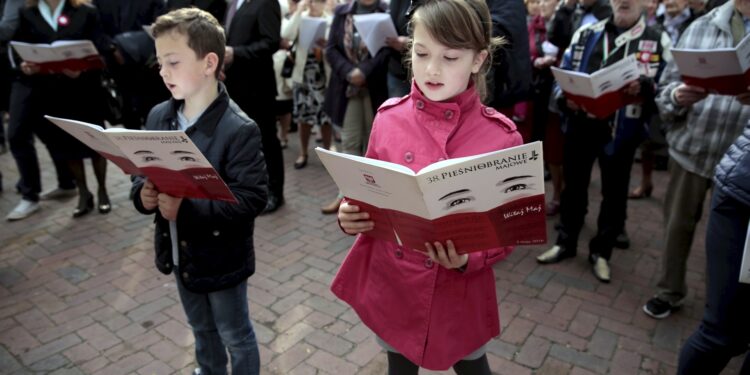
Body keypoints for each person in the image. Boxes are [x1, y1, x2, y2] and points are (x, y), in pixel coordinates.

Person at [332, 0, 522, 372]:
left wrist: (470, 258)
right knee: (398, 365)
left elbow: (510, 230)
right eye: (420, 53)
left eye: (450, 57)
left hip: (459, 290)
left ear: (478, 59)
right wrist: (350, 215)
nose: (432, 70)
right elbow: (366, 195)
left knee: (471, 366)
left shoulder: (502, 139)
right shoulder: (388, 118)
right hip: (395, 282)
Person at [131, 8, 268, 375]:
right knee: (201, 329)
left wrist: (187, 210)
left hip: (222, 257)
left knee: (235, 334)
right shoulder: (160, 116)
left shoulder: (238, 128)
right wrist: (141, 195)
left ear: (209, 63)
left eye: (173, 62)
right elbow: (143, 171)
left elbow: (252, 198)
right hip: (180, 254)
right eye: (159, 62)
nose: (163, 72)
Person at [535, 0, 671, 282]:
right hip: (580, 125)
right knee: (574, 188)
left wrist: (646, 88)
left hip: (622, 131)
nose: (623, 1)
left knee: (614, 194)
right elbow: (565, 71)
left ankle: (602, 254)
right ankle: (565, 242)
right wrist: (564, 97)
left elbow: (669, 86)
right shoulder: (587, 32)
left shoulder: (658, 39)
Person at [643, 0, 750, 319]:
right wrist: (676, 96)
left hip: (742, 163)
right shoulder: (701, 26)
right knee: (677, 226)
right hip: (692, 149)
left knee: (736, 242)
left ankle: (730, 309)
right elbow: (667, 87)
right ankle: (669, 291)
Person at [8, 0, 111, 220]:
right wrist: (25, 65)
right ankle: (83, 193)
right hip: (51, 91)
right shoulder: (28, 12)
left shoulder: (85, 11)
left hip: (85, 90)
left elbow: (102, 47)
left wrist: (82, 69)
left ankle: (102, 190)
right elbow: (19, 48)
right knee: (65, 144)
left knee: (95, 142)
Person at [320, 0, 390, 214]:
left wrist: (364, 71)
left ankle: (376, 199)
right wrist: (351, 72)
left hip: (375, 88)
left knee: (374, 143)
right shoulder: (342, 12)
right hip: (347, 87)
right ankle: (347, 197)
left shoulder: (385, 12)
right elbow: (331, 49)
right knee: (349, 141)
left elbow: (387, 48)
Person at [629, 0, 696, 200]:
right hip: (656, 86)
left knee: (677, 143)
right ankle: (646, 181)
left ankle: (672, 189)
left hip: (687, 89)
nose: (670, 2)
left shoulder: (696, 23)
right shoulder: (653, 24)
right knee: (649, 140)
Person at [222, 0, 284, 214]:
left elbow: (271, 42)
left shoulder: (265, 3)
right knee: (242, 142)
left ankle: (275, 192)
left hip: (258, 88)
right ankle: (249, 188)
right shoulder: (232, 4)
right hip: (234, 86)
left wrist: (236, 52)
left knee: (267, 140)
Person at [283, 0, 333, 169]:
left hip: (323, 76)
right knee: (303, 118)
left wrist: (326, 48)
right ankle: (303, 152)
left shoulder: (330, 20)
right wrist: (298, 11)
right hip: (303, 75)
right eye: (310, 1)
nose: (313, 5)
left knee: (326, 119)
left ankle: (328, 155)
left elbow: (336, 46)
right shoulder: (301, 17)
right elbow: (286, 34)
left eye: (317, 2)